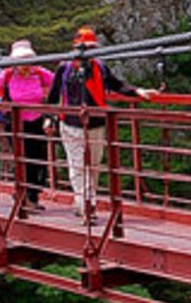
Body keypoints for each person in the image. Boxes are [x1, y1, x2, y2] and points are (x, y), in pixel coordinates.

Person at [53, 27, 156, 220]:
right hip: (71, 122)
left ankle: (82, 200)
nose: (88, 52)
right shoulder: (65, 68)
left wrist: (137, 91)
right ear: (76, 47)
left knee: (93, 165)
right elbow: (54, 94)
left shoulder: (99, 67)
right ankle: (88, 205)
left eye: (91, 48)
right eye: (84, 47)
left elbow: (117, 85)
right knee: (77, 165)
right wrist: (49, 117)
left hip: (97, 122)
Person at [0, 40, 56, 212]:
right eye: (21, 61)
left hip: (37, 120)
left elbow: (58, 83)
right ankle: (23, 195)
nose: (25, 65)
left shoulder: (39, 73)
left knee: (39, 158)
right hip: (15, 122)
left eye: (28, 60)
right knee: (23, 158)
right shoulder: (7, 75)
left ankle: (32, 195)